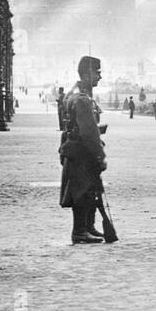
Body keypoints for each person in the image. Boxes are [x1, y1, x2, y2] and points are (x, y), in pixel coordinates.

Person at [59, 56, 107, 245]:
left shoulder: (75, 94)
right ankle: (80, 231)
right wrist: (99, 155)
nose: (99, 77)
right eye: (97, 73)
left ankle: (88, 226)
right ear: (87, 73)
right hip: (82, 151)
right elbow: (88, 132)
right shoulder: (82, 99)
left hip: (75, 148)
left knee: (90, 188)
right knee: (83, 190)